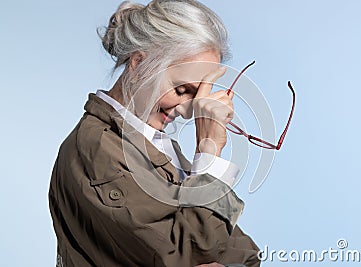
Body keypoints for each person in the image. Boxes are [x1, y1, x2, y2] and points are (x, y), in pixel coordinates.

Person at [48, 0, 261, 266]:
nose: (187, 111)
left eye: (198, 94)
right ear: (139, 62)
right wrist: (209, 153)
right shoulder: (97, 150)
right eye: (182, 90)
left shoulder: (154, 145)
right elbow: (188, 253)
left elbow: (244, 252)